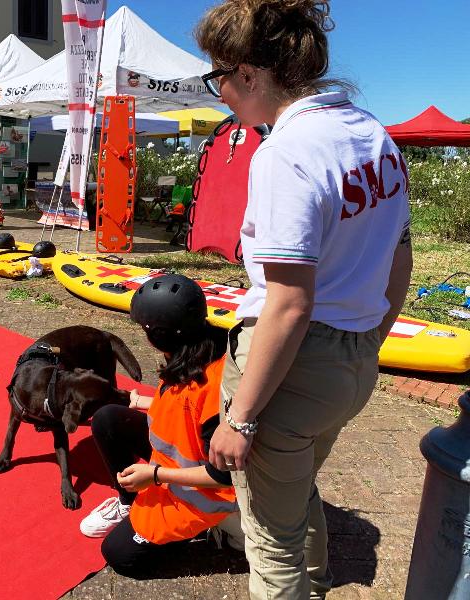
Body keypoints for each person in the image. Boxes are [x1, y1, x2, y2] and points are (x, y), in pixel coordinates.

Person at [195, 1, 413, 598]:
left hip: (289, 365)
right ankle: (314, 583)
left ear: (248, 73)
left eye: (218, 77)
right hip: (353, 357)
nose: (220, 94)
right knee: (297, 493)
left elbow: (289, 303)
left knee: (270, 538)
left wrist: (238, 419)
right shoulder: (374, 136)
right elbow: (401, 260)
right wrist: (368, 342)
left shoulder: (286, 152)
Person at [79, 274, 243, 578]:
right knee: (109, 418)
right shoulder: (199, 345)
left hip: (208, 492)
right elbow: (184, 409)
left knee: (120, 555)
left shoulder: (213, 387)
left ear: (159, 336)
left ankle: (217, 530)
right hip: (181, 464)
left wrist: (153, 475)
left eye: (146, 330)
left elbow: (224, 476)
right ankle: (129, 502)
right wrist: (145, 402)